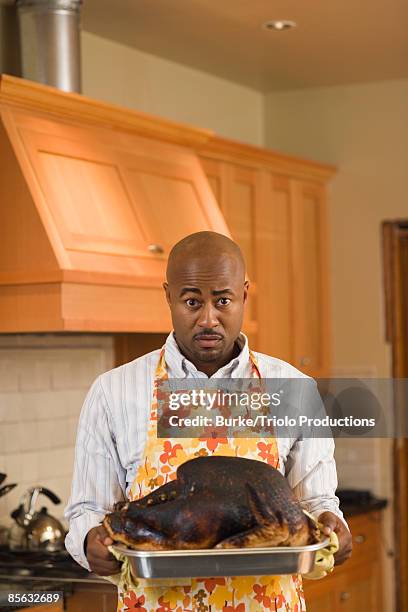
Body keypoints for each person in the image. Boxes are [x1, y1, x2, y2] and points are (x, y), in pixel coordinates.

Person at [65, 231, 352, 611]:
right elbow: (87, 510)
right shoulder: (113, 392)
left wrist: (333, 526)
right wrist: (89, 542)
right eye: (191, 301)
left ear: (244, 294)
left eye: (223, 300)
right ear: (168, 296)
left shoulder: (296, 389)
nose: (208, 318)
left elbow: (315, 502)